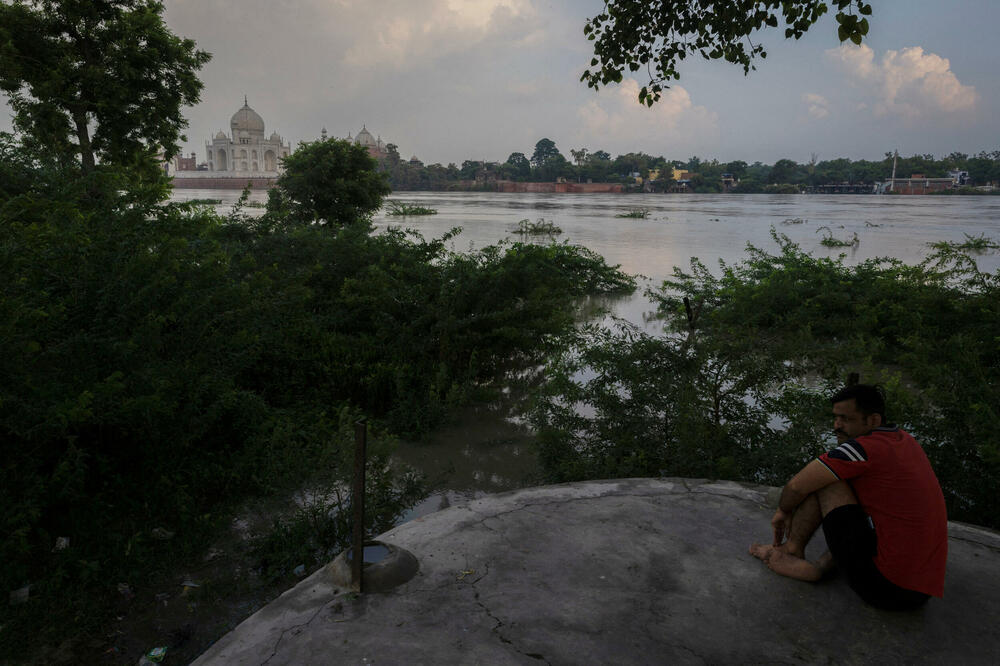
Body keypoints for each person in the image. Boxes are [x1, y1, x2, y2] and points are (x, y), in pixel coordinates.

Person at [749, 384, 947, 610]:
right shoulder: (904, 441)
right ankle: (821, 567)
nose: (836, 426)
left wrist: (783, 511)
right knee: (848, 487)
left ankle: (793, 549)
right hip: (919, 591)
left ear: (873, 420)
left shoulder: (863, 450)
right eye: (835, 417)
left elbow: (796, 486)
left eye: (845, 419)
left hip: (886, 590)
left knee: (827, 481)